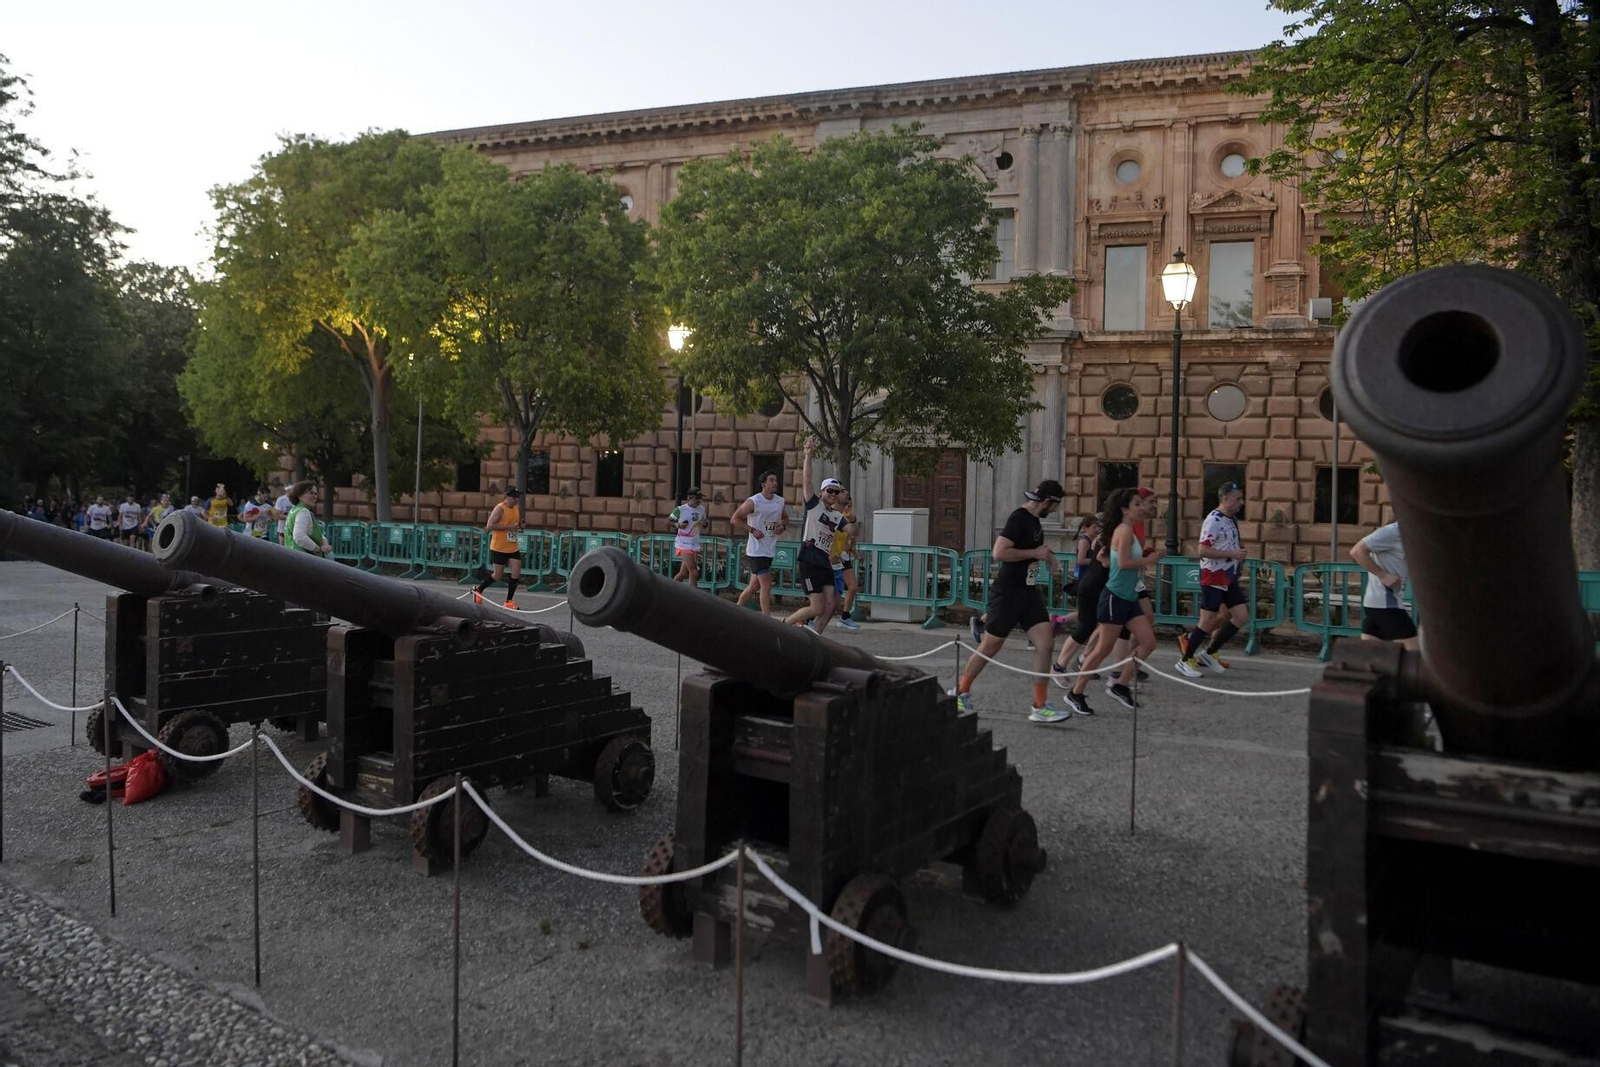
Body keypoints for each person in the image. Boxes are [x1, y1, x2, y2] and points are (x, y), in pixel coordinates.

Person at [951, 479, 1071, 724]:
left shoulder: (1035, 522)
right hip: (1008, 592)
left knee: (1046, 643)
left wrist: (1048, 557)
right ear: (1049, 501)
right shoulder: (1019, 518)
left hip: (1027, 592)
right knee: (990, 647)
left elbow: (1032, 550)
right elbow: (1000, 552)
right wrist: (1034, 554)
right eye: (1055, 506)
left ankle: (1040, 705)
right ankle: (960, 692)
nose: (1055, 511)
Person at [1066, 488, 1164, 715]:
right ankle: (1076, 693)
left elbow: (1109, 560)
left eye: (1142, 503)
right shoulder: (1124, 531)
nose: (1142, 508)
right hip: (1115, 597)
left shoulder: (1127, 530)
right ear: (1124, 509)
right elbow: (1122, 562)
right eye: (1137, 504)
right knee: (1102, 650)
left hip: (1128, 597)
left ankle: (1120, 684)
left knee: (1148, 642)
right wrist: (1149, 559)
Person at [1177, 481, 1250, 677]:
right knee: (1207, 621)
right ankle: (1185, 660)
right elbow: (1203, 550)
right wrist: (1232, 553)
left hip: (1228, 576)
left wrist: (1238, 559)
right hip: (1213, 576)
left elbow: (1231, 544)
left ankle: (1209, 652)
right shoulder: (1213, 520)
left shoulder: (1231, 519)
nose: (1241, 503)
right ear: (1225, 499)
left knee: (1241, 616)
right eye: (1238, 499)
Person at [783, 441, 849, 635]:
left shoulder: (837, 516)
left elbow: (852, 531)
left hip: (825, 562)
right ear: (822, 493)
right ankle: (784, 625)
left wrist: (852, 525)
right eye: (830, 491)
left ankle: (815, 635)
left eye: (836, 492)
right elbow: (807, 481)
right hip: (810, 558)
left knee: (832, 603)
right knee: (817, 607)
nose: (833, 495)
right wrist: (809, 455)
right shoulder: (814, 505)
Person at [1351, 521, 1416, 650]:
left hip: (1378, 602)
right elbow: (1357, 551)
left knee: (1372, 656)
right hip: (1386, 602)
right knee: (1414, 652)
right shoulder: (1393, 531)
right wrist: (1383, 575)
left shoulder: (1411, 533)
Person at [733, 470, 788, 615]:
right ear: (763, 484)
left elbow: (785, 518)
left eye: (776, 480)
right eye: (771, 480)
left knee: (754, 586)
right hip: (756, 550)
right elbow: (735, 519)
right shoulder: (753, 501)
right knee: (766, 584)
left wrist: (782, 526)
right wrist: (752, 530)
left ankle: (735, 610)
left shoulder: (780, 501)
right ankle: (767, 619)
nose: (775, 483)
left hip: (769, 548)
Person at [473, 487, 524, 609]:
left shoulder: (516, 508)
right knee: (497, 575)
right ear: (507, 497)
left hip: (512, 546)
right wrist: (508, 527)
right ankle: (479, 590)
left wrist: (520, 526)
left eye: (517, 497)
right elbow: (489, 526)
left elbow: (515, 525)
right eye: (514, 497)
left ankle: (509, 601)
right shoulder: (500, 509)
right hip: (499, 547)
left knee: (516, 573)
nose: (516, 500)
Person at [831, 490, 861, 633]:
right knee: (831, 591)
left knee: (853, 587)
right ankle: (811, 617)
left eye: (851, 506)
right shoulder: (834, 516)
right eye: (847, 506)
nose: (849, 509)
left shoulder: (849, 519)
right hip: (833, 557)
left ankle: (845, 615)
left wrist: (854, 550)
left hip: (844, 557)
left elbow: (852, 537)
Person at [667, 487, 708, 586]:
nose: (699, 501)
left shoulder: (702, 509)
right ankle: (693, 598)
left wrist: (705, 523)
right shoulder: (680, 509)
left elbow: (705, 525)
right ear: (690, 498)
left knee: (684, 573)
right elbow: (668, 521)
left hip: (695, 543)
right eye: (697, 498)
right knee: (694, 572)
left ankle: (669, 589)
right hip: (683, 544)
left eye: (700, 498)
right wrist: (678, 525)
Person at [283, 482, 333, 556]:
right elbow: (299, 537)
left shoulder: (294, 510)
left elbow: (310, 531)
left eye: (316, 494)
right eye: (311, 493)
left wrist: (324, 542)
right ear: (299, 496)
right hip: (304, 559)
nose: (315, 496)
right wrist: (319, 549)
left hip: (292, 556)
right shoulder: (303, 512)